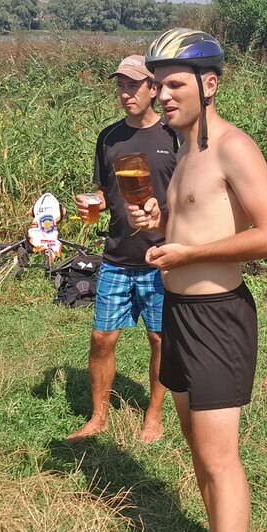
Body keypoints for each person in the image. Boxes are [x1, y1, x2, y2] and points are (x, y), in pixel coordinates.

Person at [128, 29, 267, 532]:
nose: (161, 95)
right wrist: (160, 224)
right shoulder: (181, 152)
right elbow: (194, 224)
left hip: (219, 318)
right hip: (179, 313)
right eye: (157, 85)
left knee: (221, 460)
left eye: (174, 84)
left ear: (209, 84)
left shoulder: (233, 147)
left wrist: (190, 253)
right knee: (197, 448)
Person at [67, 54, 177, 443]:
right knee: (102, 338)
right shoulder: (109, 137)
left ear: (153, 89)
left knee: (160, 339)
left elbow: (190, 197)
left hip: (161, 257)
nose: (126, 93)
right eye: (121, 86)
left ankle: (154, 414)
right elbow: (104, 191)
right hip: (116, 256)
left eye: (133, 85)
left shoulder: (173, 136)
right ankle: (98, 416)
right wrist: (93, 202)